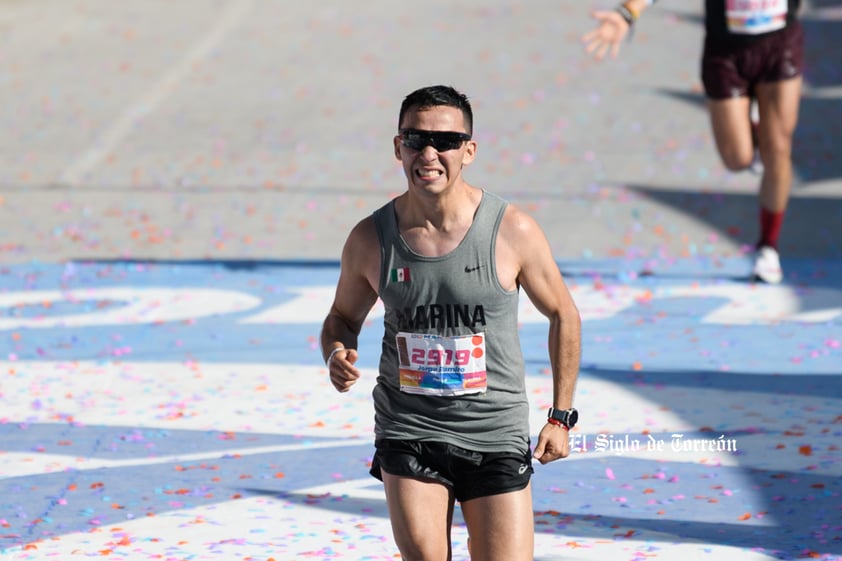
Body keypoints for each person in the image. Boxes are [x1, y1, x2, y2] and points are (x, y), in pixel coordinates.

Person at [320, 85, 582, 561]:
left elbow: (563, 313)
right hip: (409, 428)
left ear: (469, 150)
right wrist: (337, 353)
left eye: (444, 141)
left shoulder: (511, 230)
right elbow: (341, 318)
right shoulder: (370, 238)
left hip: (493, 433)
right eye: (416, 139)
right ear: (397, 147)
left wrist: (560, 417)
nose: (429, 153)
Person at [582, 0, 804, 284]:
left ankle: (768, 246)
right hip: (725, 51)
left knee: (779, 149)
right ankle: (755, 123)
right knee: (737, 158)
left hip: (780, 43)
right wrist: (627, 13)